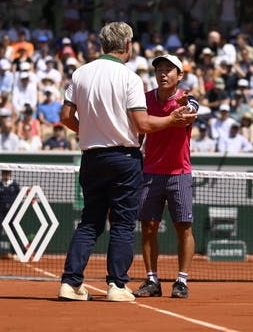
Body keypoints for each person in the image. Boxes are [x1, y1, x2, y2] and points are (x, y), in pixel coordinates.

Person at [58, 22, 196, 303]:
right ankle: (116, 285)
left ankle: (70, 283)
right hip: (123, 158)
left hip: (92, 157)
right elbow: (143, 123)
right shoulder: (130, 78)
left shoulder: (80, 73)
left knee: (89, 223)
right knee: (122, 223)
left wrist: (90, 132)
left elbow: (65, 117)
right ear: (128, 46)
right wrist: (171, 120)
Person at [133, 53, 199, 299]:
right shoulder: (145, 99)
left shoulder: (187, 99)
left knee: (184, 226)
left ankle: (181, 280)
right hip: (150, 172)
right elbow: (139, 130)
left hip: (179, 173)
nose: (162, 73)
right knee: (148, 226)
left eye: (168, 70)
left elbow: (191, 110)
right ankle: (152, 280)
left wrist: (184, 108)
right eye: (159, 69)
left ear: (179, 76)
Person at [0, 169, 21, 257]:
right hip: (0, 211)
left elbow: (19, 198)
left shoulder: (15, 186)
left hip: (12, 212)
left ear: (10, 174)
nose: (6, 175)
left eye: (7, 173)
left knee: (14, 231)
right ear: (2, 174)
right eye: (4, 173)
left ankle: (15, 253)